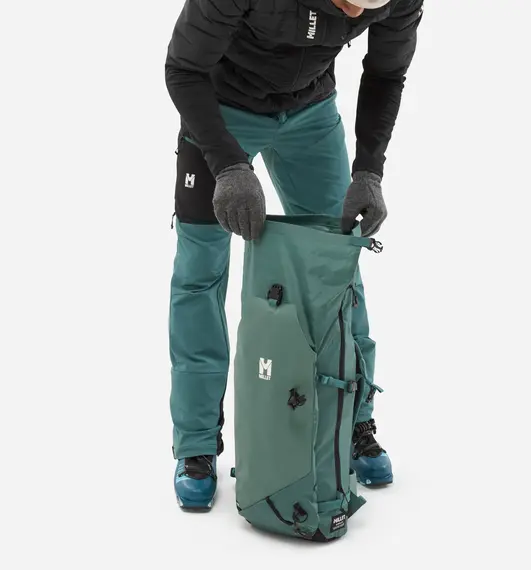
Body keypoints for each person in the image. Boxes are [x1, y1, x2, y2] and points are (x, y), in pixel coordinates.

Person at [165, 0, 423, 511]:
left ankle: (354, 421)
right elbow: (183, 67)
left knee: (338, 262)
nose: (356, 12)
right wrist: (229, 165)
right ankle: (196, 446)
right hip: (220, 109)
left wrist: (369, 170)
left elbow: (386, 73)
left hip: (310, 111)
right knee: (200, 275)